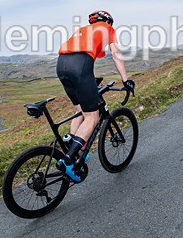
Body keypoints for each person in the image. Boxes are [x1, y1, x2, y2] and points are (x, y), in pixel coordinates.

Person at [55, 10, 135, 182]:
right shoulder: (107, 29)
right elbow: (116, 54)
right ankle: (69, 159)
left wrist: (90, 81)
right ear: (108, 21)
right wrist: (125, 80)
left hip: (61, 65)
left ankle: (74, 148)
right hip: (79, 68)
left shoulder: (83, 31)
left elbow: (86, 59)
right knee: (92, 117)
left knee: (81, 112)